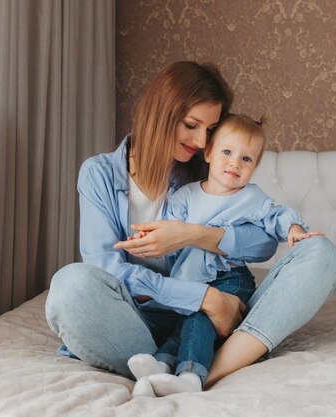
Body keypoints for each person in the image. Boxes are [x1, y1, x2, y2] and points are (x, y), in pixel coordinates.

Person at [44, 61, 336, 397]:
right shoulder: (99, 173)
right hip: (138, 323)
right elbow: (104, 266)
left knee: (321, 253)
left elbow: (262, 245)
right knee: (70, 285)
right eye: (191, 125)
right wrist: (204, 299)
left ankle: (204, 370)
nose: (202, 140)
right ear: (160, 114)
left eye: (210, 130)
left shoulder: (208, 167)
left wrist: (192, 234)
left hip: (220, 323)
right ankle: (180, 362)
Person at [127, 114, 325, 397]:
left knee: (199, 317)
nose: (235, 163)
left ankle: (191, 377)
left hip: (230, 277)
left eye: (246, 159)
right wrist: (146, 238)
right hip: (191, 277)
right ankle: (161, 365)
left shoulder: (250, 197)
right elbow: (168, 229)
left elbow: (276, 216)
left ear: (254, 167)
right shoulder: (186, 195)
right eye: (227, 152)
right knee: (181, 322)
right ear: (208, 153)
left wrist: (293, 228)